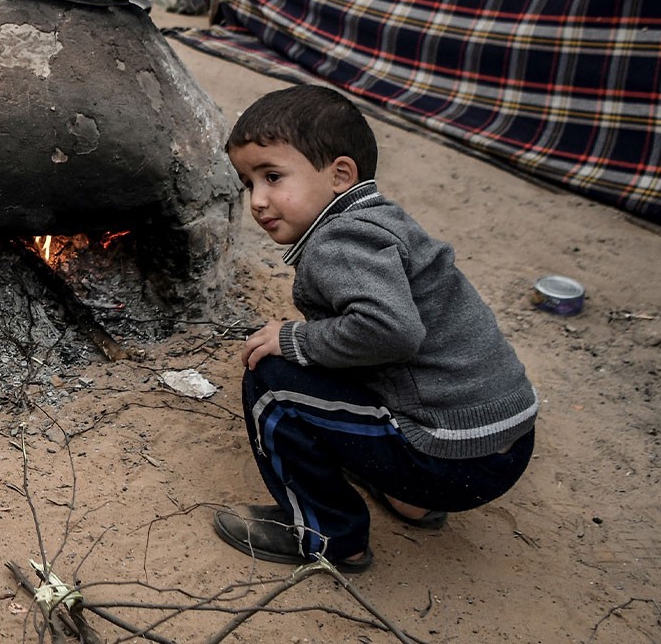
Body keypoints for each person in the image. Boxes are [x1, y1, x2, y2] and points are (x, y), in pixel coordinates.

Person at [213, 86, 538, 571]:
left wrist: (294, 339)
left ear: (341, 175)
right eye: (248, 182)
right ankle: (412, 502)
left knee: (272, 383)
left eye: (273, 176)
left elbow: (391, 332)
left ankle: (329, 538)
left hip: (452, 459)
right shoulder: (380, 220)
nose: (257, 200)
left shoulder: (338, 240)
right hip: (504, 439)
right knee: (331, 352)